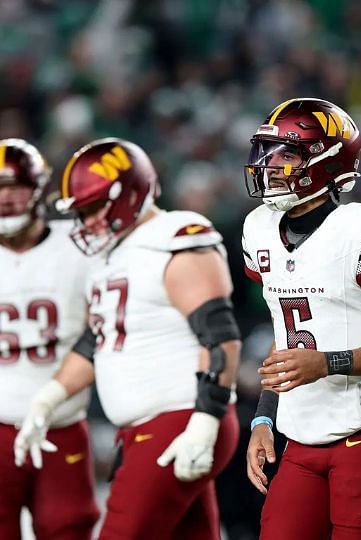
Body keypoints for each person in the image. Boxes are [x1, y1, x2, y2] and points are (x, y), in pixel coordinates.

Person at [14, 137, 241, 539]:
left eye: (92, 208)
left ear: (129, 194)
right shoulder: (113, 253)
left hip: (180, 418)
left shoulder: (175, 237)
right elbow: (98, 341)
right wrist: (48, 398)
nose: (85, 223)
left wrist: (205, 420)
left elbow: (220, 339)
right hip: (148, 428)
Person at [241, 97, 361, 539]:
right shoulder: (259, 228)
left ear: (324, 162)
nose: (270, 164)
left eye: (287, 154)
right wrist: (264, 418)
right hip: (301, 437)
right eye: (269, 152)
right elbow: (286, 337)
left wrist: (326, 363)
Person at [0, 139, 100, 539]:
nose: (5, 199)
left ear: (39, 188)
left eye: (16, 187)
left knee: (68, 527)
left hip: (63, 420)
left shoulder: (78, 245)